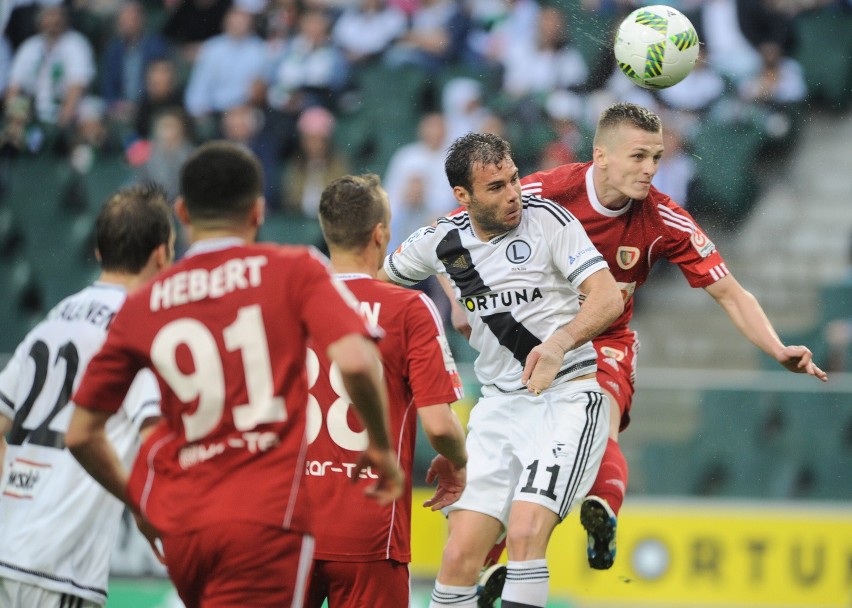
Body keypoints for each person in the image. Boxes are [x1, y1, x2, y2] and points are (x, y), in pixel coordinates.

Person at [65, 141, 404, 608]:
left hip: (183, 524)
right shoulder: (293, 269)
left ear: (182, 212)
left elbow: (81, 433)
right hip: (263, 520)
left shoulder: (144, 303)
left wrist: (140, 504)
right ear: (258, 210)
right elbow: (357, 360)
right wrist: (382, 447)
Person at [514, 101, 828, 574]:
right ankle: (496, 562)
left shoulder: (663, 219)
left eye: (657, 157)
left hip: (605, 343)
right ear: (601, 156)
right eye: (638, 156)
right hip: (532, 338)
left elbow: (732, 293)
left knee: (598, 414)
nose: (651, 169)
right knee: (512, 466)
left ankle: (603, 514)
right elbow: (465, 224)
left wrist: (777, 347)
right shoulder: (546, 192)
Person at [381, 132, 624, 608]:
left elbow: (608, 295)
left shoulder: (550, 221)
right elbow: (372, 283)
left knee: (525, 531)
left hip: (566, 398)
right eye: (496, 187)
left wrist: (559, 342)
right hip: (496, 410)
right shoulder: (441, 242)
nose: (513, 193)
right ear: (462, 197)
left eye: (513, 179)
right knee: (457, 558)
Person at [0, 183, 174, 607]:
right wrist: (146, 506)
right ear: (162, 256)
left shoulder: (52, 320)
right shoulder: (137, 329)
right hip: (62, 567)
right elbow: (154, 435)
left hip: (8, 551)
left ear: (98, 251)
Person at [305, 173, 469, 607]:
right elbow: (439, 424)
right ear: (381, 234)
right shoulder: (409, 309)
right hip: (369, 529)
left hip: (288, 524)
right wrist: (457, 461)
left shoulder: (290, 304)